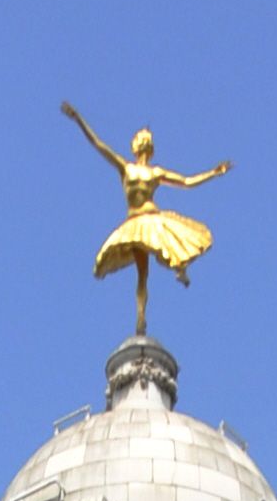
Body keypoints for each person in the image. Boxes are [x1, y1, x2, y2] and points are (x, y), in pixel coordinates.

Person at [59, 102, 231, 340]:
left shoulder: (156, 172)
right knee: (142, 275)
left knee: (170, 242)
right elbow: (98, 144)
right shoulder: (125, 167)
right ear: (137, 145)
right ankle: (141, 318)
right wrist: (78, 119)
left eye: (148, 141)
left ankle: (179, 267)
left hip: (151, 217)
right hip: (135, 222)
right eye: (143, 140)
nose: (145, 143)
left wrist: (214, 173)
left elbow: (187, 182)